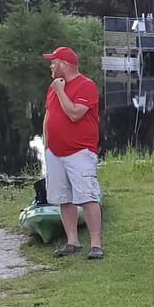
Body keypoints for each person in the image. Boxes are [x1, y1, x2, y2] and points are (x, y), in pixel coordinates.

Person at [42, 46, 102, 260]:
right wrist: (46, 146)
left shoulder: (86, 85)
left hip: (80, 151)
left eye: (53, 62)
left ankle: (95, 244)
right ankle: (72, 241)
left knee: (87, 196)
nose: (51, 65)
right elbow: (49, 116)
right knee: (63, 197)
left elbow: (75, 114)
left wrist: (60, 91)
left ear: (64, 64)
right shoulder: (53, 88)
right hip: (55, 152)